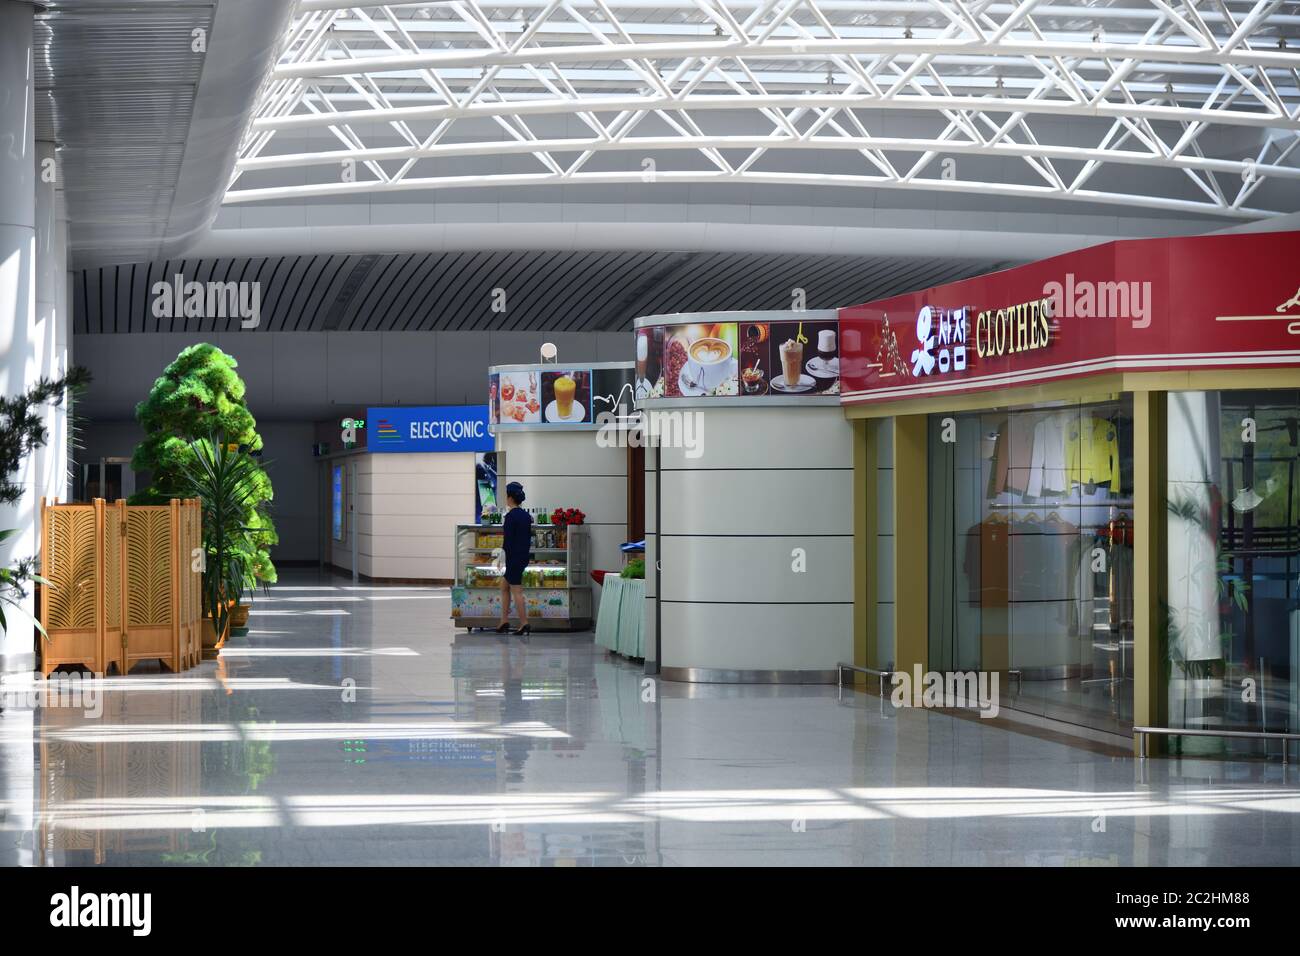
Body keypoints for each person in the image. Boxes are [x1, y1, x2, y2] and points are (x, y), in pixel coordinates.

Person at [497, 481, 533, 635]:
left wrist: (502, 558)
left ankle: (524, 623)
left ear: (510, 497)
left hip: (513, 558)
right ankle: (504, 621)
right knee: (504, 587)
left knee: (516, 590)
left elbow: (508, 541)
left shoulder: (510, 516)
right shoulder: (526, 516)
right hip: (523, 556)